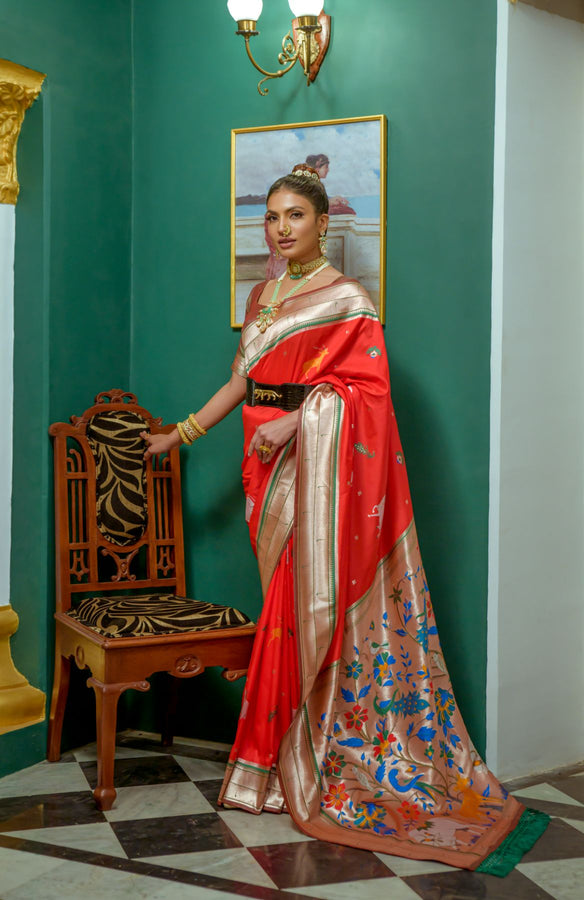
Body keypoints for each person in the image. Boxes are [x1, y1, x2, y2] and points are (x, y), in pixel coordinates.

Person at [141, 164, 547, 874]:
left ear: (323, 222)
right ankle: (269, 761)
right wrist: (180, 434)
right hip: (261, 469)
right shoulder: (264, 294)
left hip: (313, 468)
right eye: (272, 217)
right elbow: (242, 379)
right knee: (282, 605)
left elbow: (367, 395)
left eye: (295, 215)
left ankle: (283, 760)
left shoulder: (350, 299)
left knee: (299, 610)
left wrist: (298, 424)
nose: (281, 228)